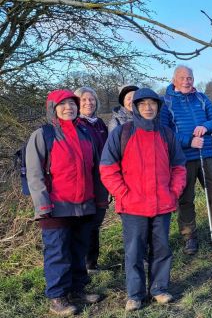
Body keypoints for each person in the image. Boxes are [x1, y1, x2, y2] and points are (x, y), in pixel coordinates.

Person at [100, 88, 186, 312]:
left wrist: (173, 192)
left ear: (158, 107)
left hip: (162, 204)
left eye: (152, 104)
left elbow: (179, 167)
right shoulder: (122, 133)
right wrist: (123, 193)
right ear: (135, 107)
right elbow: (108, 169)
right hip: (132, 206)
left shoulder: (167, 134)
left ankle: (159, 289)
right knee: (134, 252)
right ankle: (135, 294)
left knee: (161, 249)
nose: (148, 108)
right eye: (143, 104)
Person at [26, 89, 106, 316]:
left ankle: (77, 289)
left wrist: (100, 200)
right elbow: (34, 174)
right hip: (56, 206)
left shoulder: (85, 132)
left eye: (72, 103)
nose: (68, 108)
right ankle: (58, 297)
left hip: (84, 204)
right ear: (53, 108)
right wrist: (42, 206)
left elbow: (96, 170)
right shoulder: (43, 134)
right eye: (63, 104)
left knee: (79, 249)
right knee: (58, 252)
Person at [160, 65, 212, 254]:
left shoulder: (201, 98)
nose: (187, 81)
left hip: (206, 156)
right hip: (182, 158)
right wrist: (188, 141)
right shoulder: (166, 102)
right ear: (174, 80)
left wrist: (205, 126)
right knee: (185, 198)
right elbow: (165, 133)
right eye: (182, 78)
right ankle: (189, 237)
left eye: (190, 77)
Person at [73, 87, 109, 274]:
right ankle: (84, 263)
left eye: (92, 99)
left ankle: (92, 262)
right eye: (84, 100)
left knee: (96, 220)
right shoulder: (75, 125)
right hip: (86, 179)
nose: (89, 103)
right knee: (85, 221)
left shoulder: (100, 124)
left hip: (102, 179)